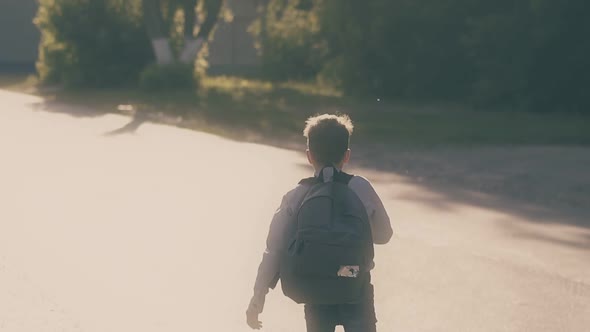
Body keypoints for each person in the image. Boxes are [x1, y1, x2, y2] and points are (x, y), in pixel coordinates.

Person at [246, 114, 393, 332]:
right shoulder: (360, 187)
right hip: (354, 283)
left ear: (309, 155)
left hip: (314, 287)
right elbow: (384, 234)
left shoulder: (297, 196)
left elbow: (274, 250)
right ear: (347, 155)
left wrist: (257, 300)